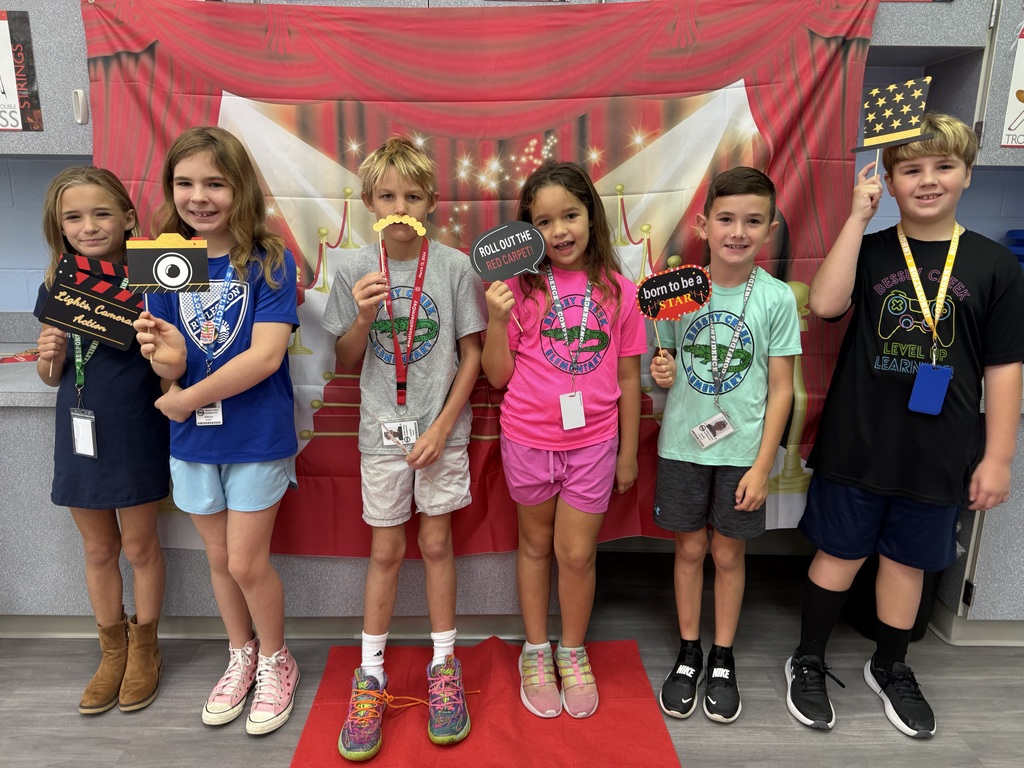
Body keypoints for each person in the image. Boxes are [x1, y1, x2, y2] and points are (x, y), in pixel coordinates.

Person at [785, 113, 1024, 738]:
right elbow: (827, 303)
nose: (927, 180)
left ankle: (890, 666)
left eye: (943, 167)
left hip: (939, 450)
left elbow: (1003, 368)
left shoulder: (994, 265)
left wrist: (997, 457)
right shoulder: (869, 250)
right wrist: (858, 217)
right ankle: (806, 659)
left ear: (967, 174)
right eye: (910, 170)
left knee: (909, 563)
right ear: (889, 182)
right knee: (838, 553)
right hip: (858, 440)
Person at [321, 136, 485, 761]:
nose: (399, 205)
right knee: (386, 549)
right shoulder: (352, 267)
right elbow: (343, 361)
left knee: (437, 542)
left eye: (412, 195)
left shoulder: (454, 266)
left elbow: (472, 355)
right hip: (379, 433)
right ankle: (372, 674)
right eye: (387, 195)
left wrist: (443, 425)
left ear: (431, 202)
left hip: (442, 431)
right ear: (368, 202)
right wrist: (361, 319)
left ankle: (445, 668)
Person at [133, 126, 300, 736]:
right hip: (194, 439)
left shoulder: (270, 260)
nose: (198, 196)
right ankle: (241, 654)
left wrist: (183, 399)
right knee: (219, 559)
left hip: (255, 436)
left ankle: (278, 659)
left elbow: (264, 358)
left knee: (248, 562)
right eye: (184, 182)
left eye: (214, 183)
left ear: (241, 189)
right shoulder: (163, 261)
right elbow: (169, 360)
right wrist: (167, 359)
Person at [482, 160, 646, 719]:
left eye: (570, 215)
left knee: (575, 555)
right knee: (534, 546)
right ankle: (535, 650)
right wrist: (498, 323)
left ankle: (571, 651)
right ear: (528, 231)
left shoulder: (620, 291)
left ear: (591, 217)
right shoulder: (514, 289)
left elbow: (628, 378)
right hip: (527, 438)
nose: (560, 231)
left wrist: (627, 451)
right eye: (545, 222)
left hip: (595, 443)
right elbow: (497, 377)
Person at [650, 167, 800, 725]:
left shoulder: (777, 298)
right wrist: (660, 372)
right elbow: (660, 366)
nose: (738, 231)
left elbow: (782, 389)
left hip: (743, 455)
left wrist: (765, 466)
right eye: (727, 219)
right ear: (704, 224)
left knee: (727, 553)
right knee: (689, 550)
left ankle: (722, 655)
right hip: (683, 448)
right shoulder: (678, 291)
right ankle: (689, 651)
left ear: (770, 228)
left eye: (752, 221)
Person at [34, 167, 170, 715]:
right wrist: (53, 355)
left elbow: (177, 368)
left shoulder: (157, 277)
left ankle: (146, 649)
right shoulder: (56, 283)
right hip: (78, 429)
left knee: (139, 547)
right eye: (74, 217)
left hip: (136, 426)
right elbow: (50, 378)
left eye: (102, 213)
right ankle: (111, 651)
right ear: (60, 227)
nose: (88, 226)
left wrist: (159, 345)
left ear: (129, 217)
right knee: (97, 548)